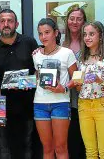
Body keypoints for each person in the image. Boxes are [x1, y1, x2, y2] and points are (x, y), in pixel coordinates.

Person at [0, 9, 40, 159]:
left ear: (16, 24)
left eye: (10, 21)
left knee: (28, 145)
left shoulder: (29, 42)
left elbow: (37, 71)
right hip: (6, 106)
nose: (6, 24)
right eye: (2, 21)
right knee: (5, 147)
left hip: (28, 104)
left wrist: (32, 82)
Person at [67, 21, 104, 158]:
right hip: (83, 104)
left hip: (103, 103)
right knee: (90, 151)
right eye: (85, 35)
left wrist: (99, 80)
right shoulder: (80, 59)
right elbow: (78, 88)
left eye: (91, 34)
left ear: (100, 36)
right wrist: (77, 83)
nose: (87, 38)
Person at [33, 18, 77, 159]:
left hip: (61, 103)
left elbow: (76, 78)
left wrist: (63, 88)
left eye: (47, 32)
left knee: (60, 147)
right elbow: (37, 77)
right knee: (47, 148)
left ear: (56, 33)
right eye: (40, 33)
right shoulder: (36, 55)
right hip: (39, 104)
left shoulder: (67, 53)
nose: (43, 37)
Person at [61, 7, 87, 159]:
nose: (75, 22)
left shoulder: (89, 41)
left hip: (85, 97)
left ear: (84, 21)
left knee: (86, 141)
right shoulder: (62, 44)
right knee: (72, 140)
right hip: (66, 98)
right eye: (72, 18)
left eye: (79, 19)